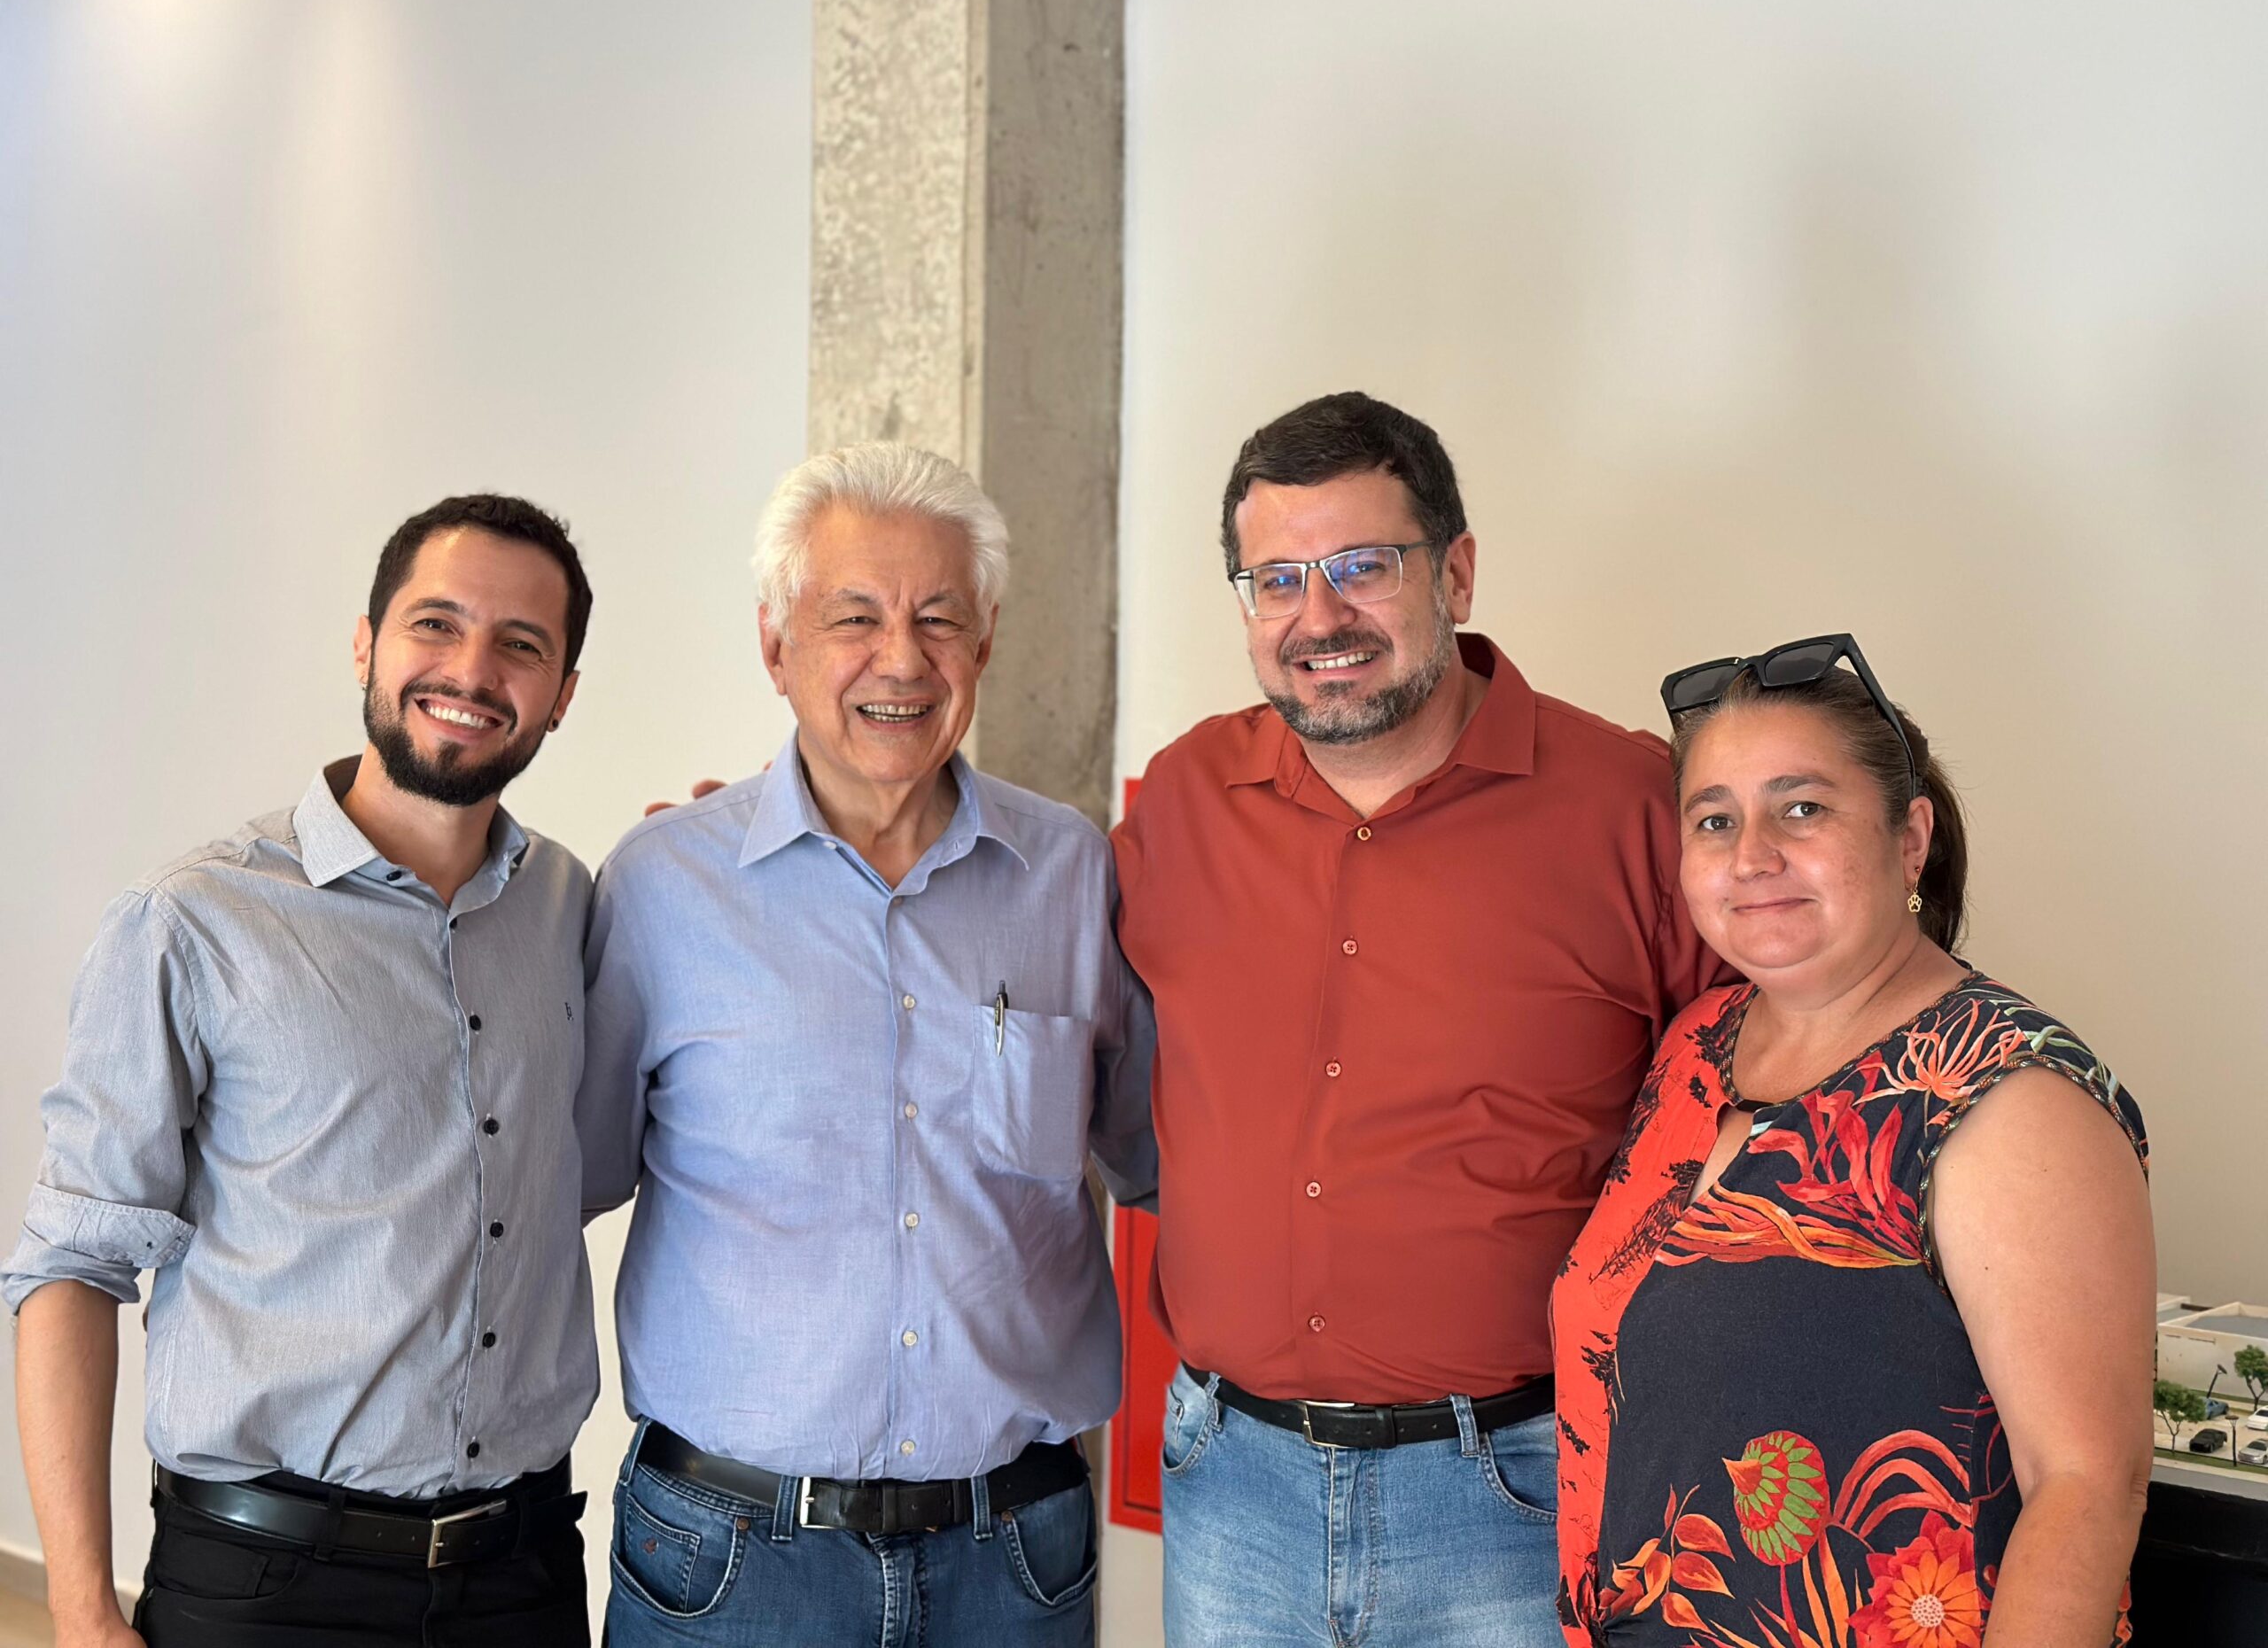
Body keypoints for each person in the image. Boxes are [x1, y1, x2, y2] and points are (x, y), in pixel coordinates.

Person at [1113, 392, 1722, 1645]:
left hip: (1516, 1485)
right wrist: (831, 842)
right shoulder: (1183, 799)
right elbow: (1010, 951)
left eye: (1362, 567)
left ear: (1455, 573)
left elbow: (1769, 1102)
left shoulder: (1632, 809)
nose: (1319, 617)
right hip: (1230, 1482)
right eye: (1277, 580)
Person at [579, 442, 1155, 1646]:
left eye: (940, 618)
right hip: (730, 1560)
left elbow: (1158, 1157)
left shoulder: (1072, 873)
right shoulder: (663, 887)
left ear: (984, 644)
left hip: (1014, 1561)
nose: (902, 659)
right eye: (854, 617)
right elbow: (567, 1177)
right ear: (775, 645)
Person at [5, 496, 602, 1647]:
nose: (472, 671)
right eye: (436, 624)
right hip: (267, 1585)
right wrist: (79, 1610)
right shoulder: (195, 921)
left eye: (521, 644)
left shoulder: (569, 906)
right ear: (366, 643)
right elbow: (72, 1267)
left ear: (562, 692)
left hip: (523, 1576)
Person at [1551, 635, 2152, 1647]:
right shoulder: (1697, 1046)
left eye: (1802, 808)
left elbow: (2086, 1487)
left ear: (1909, 839)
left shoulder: (2006, 1093)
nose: (1752, 856)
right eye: (1714, 819)